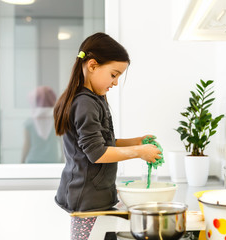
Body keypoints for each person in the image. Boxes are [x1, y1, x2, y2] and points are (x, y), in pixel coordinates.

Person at [53, 32, 161, 240]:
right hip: (87, 201)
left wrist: (136, 142)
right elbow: (97, 153)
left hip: (95, 197)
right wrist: (139, 152)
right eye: (113, 74)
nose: (116, 82)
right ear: (92, 65)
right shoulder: (84, 103)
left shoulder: (95, 99)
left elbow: (102, 143)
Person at [21, 86, 64, 164]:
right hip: (53, 160)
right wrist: (63, 160)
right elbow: (63, 143)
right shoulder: (57, 121)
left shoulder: (29, 122)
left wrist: (21, 161)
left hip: (33, 161)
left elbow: (26, 144)